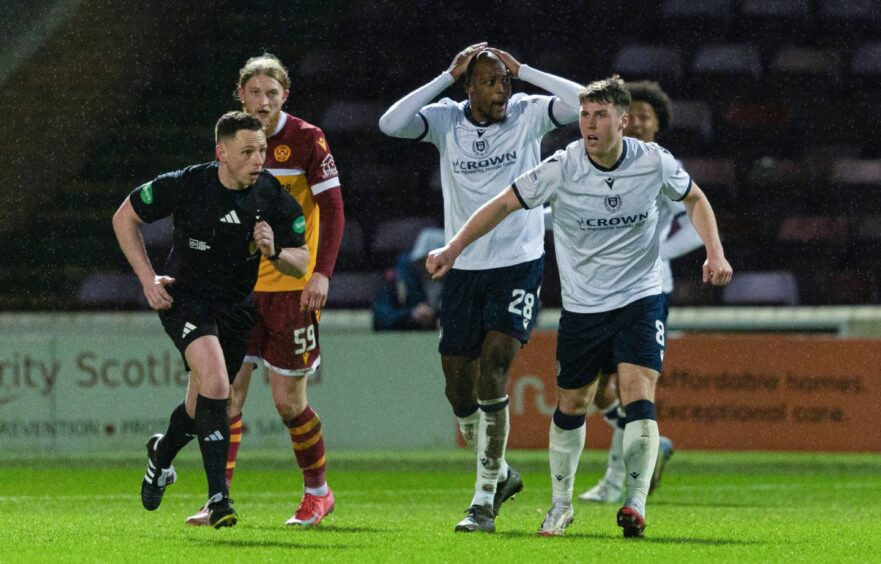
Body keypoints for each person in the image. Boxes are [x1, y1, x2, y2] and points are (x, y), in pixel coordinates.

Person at [426, 76, 732, 538]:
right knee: (572, 404)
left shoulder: (653, 162)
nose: (589, 124)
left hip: (639, 297)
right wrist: (453, 248)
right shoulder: (561, 166)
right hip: (584, 305)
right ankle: (562, 505)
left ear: (623, 122)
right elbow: (503, 204)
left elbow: (695, 198)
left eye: (600, 115)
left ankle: (634, 503)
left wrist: (715, 251)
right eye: (585, 115)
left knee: (638, 393)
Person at [379, 43, 584, 533]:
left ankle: (483, 498)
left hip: (518, 264)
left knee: (494, 372)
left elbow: (582, 103)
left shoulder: (528, 113)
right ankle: (502, 471)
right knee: (457, 388)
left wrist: (526, 70)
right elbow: (390, 123)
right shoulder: (447, 120)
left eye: (504, 82)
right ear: (468, 87)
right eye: (489, 82)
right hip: (464, 267)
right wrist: (443, 77)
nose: (501, 91)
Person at [112, 111, 309, 528]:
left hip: (237, 309)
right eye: (248, 152)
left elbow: (301, 262)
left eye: (263, 150)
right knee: (219, 384)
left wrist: (275, 252)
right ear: (221, 153)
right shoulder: (188, 184)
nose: (260, 160)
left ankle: (162, 453)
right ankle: (219, 498)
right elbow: (123, 217)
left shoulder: (270, 195)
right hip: (186, 300)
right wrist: (148, 280)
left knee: (199, 402)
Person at [185, 53, 345, 528]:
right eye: (254, 92)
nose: (262, 101)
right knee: (227, 396)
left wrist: (321, 274)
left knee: (287, 402)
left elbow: (334, 211)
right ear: (241, 95)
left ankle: (318, 492)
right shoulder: (232, 141)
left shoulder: (307, 139)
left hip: (290, 287)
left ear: (285, 96)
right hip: (237, 288)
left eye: (271, 93)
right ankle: (219, 497)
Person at [578, 80, 703, 504]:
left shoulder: (662, 166)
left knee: (633, 388)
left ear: (657, 126)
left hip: (648, 291)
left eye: (647, 117)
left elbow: (695, 221)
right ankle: (655, 444)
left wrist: (658, 254)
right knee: (597, 390)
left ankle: (617, 483)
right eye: (634, 116)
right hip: (600, 291)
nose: (639, 124)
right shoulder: (595, 163)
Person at [373, 227, 445, 331]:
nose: (427, 266)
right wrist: (410, 315)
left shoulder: (460, 281)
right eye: (422, 260)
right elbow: (380, 317)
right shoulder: (400, 278)